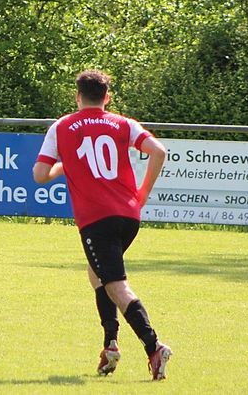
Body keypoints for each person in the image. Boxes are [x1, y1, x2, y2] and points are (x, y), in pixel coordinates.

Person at [32, 70, 172, 380]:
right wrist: (143, 193)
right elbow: (159, 151)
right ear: (106, 98)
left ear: (77, 96)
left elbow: (40, 175)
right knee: (97, 273)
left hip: (97, 219)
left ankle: (154, 346)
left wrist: (63, 166)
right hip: (129, 215)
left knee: (116, 285)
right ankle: (110, 345)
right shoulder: (123, 123)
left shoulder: (62, 126)